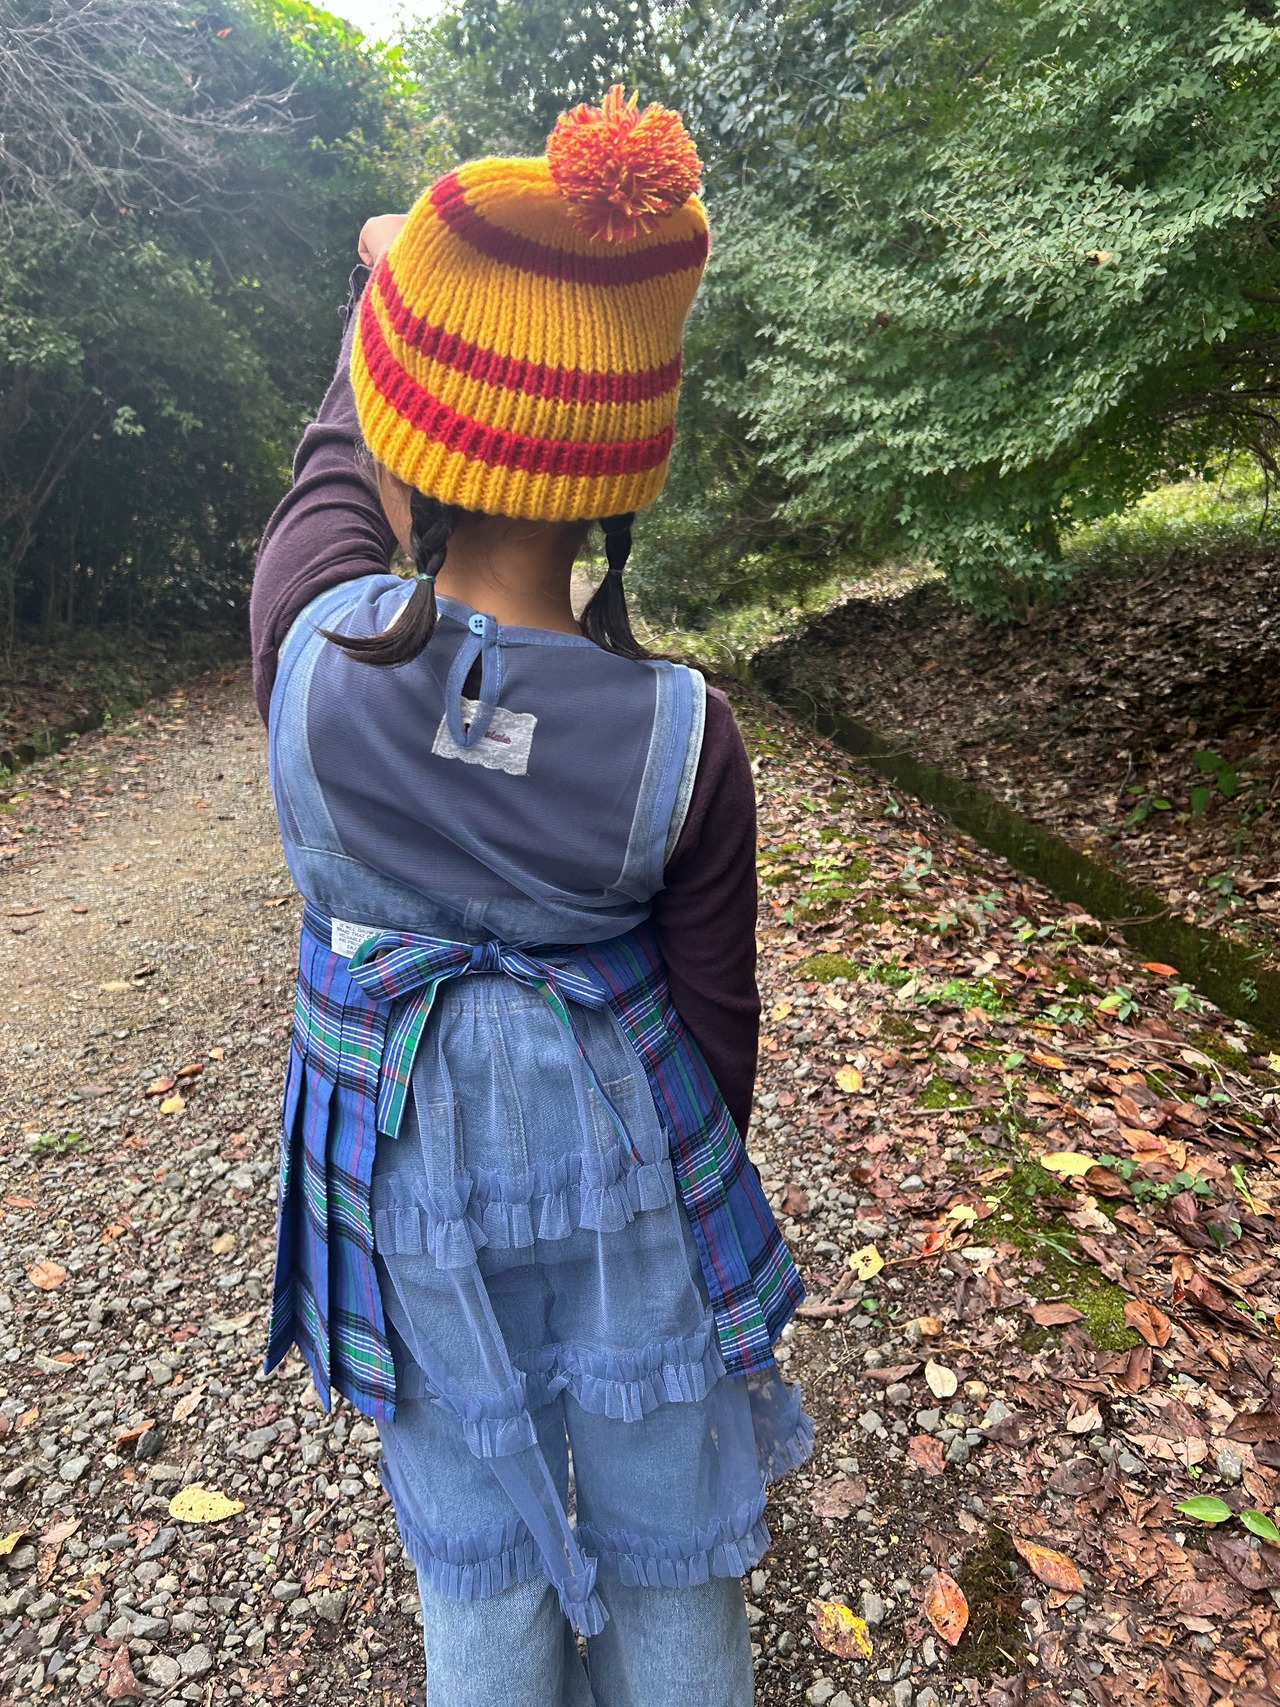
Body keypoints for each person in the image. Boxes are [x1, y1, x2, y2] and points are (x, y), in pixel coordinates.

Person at [249, 86, 811, 1707]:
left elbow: (333, 488)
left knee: (475, 1543)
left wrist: (376, 306)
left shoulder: (312, 654)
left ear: (409, 430)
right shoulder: (685, 738)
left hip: (399, 1162)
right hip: (628, 1166)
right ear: (625, 469)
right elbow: (716, 1032)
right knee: (668, 1539)